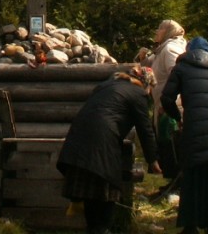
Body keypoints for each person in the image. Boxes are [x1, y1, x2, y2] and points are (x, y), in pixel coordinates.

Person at [57, 66, 162, 234]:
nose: (149, 93)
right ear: (145, 84)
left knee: (91, 200)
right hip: (102, 143)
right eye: (150, 88)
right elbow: (145, 129)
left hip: (78, 139)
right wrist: (153, 160)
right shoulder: (137, 93)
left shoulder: (106, 86)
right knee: (105, 202)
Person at [161, 36, 208, 234]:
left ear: (188, 51)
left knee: (193, 175)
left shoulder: (181, 67)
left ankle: (191, 225)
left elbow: (166, 98)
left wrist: (178, 117)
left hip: (195, 126)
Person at [138, 19, 188, 180]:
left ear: (168, 32)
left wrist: (170, 102)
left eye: (160, 28)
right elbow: (151, 65)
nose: (156, 31)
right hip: (163, 104)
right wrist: (143, 58)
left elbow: (177, 75)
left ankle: (177, 184)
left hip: (170, 106)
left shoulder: (171, 48)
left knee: (172, 145)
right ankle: (171, 182)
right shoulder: (162, 49)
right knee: (166, 145)